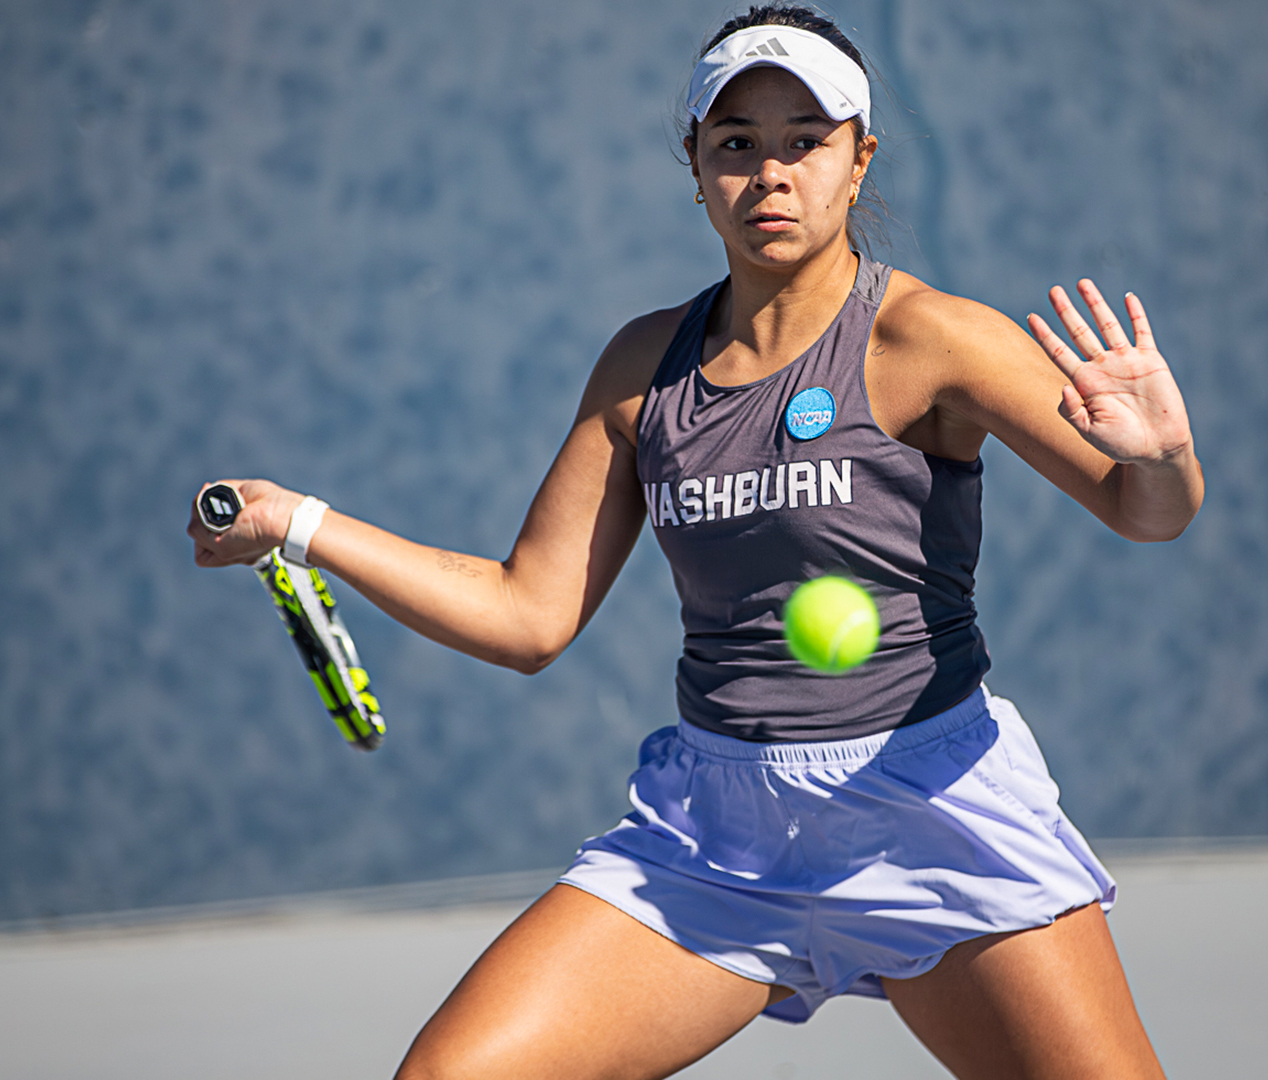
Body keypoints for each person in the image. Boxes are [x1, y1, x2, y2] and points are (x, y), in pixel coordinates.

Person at [190, 6, 1200, 1078]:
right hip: (718, 835)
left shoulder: (931, 338)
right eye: (738, 143)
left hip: (930, 810)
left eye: (805, 141)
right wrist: (300, 524)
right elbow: (527, 615)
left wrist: (1165, 456)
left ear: (860, 158)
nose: (771, 174)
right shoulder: (643, 369)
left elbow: (1149, 510)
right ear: (696, 163)